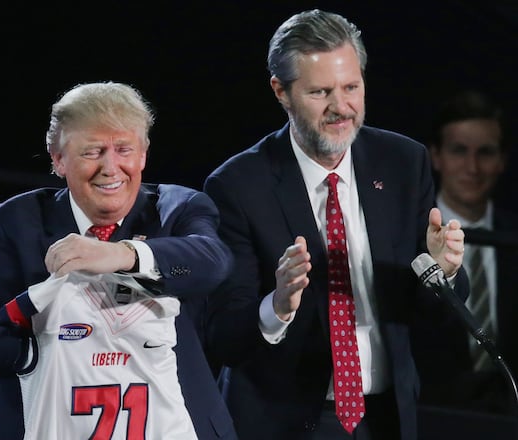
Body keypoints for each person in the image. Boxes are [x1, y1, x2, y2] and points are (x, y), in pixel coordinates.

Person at [203, 9, 467, 440]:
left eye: (351, 87)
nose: (340, 107)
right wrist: (276, 307)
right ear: (281, 92)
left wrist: (444, 271)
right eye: (320, 92)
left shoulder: (403, 163)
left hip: (386, 419)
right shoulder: (237, 186)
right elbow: (223, 337)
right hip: (283, 422)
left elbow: (431, 316)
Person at [0, 81, 237, 439]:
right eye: (93, 151)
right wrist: (59, 337)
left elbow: (212, 263)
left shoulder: (175, 210)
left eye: (124, 149)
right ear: (58, 158)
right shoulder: (17, 221)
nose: (111, 167)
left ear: (143, 154)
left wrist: (120, 255)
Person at [412, 89, 518, 414]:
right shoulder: (407, 236)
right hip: (430, 415)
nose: (472, 167)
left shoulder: (513, 236)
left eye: (485, 152)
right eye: (459, 151)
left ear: (502, 160)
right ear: (436, 156)